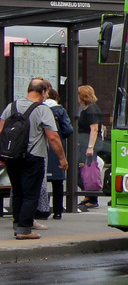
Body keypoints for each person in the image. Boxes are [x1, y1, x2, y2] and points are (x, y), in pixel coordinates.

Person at [0, 79, 68, 240]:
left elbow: (1, 130)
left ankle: (18, 225)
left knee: (17, 192)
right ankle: (24, 229)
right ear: (43, 92)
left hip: (12, 156)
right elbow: (53, 137)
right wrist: (62, 159)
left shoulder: (12, 106)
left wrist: (2, 156)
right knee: (31, 194)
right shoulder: (43, 110)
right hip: (34, 156)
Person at [37, 83, 72, 220]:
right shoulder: (60, 110)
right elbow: (68, 129)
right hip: (56, 146)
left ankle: (41, 209)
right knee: (57, 181)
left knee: (40, 180)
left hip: (41, 146)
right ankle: (58, 211)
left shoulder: (39, 109)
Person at [77, 85, 103, 210]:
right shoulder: (87, 109)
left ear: (83, 96)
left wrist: (90, 147)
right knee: (83, 170)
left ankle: (92, 197)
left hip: (89, 144)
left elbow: (94, 129)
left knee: (87, 170)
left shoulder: (92, 109)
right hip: (84, 143)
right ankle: (88, 195)